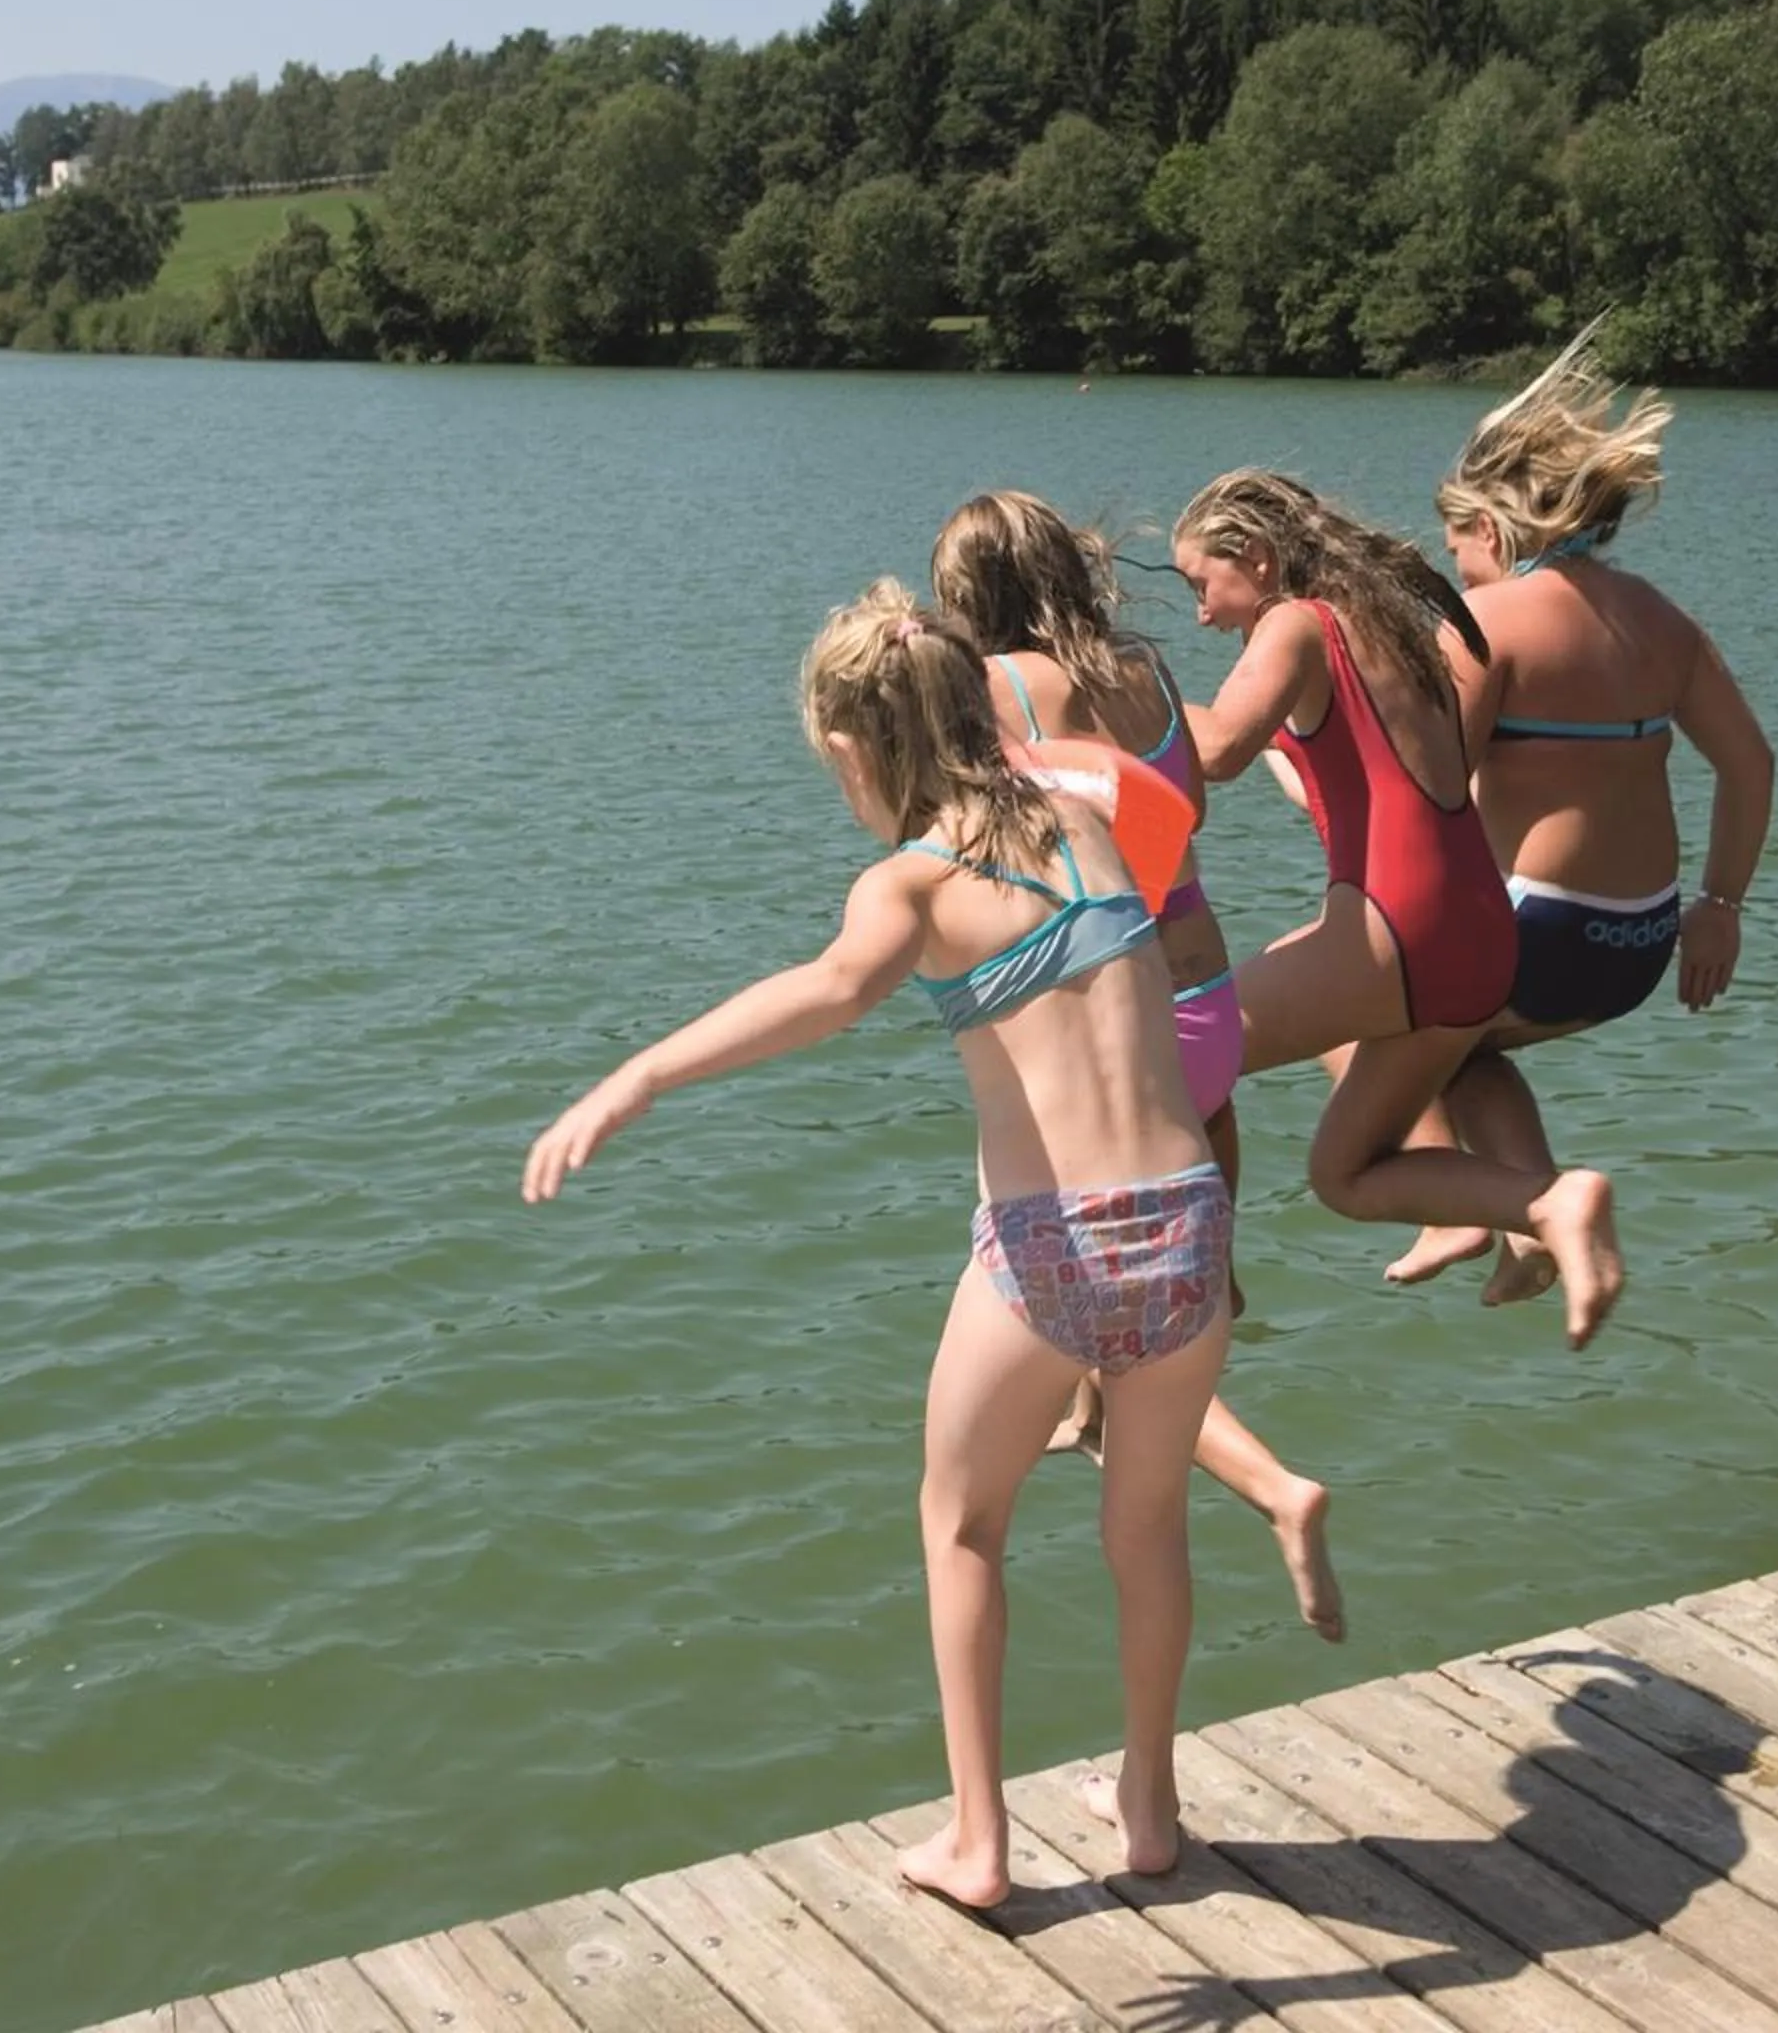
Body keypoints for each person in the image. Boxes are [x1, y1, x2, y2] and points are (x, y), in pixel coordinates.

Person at [523, 581, 1231, 1908]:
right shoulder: (1090, 827)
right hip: (1190, 1222)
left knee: (961, 1524)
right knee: (1146, 1529)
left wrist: (636, 1080)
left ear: (859, 750)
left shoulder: (913, 883)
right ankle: (1148, 1804)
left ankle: (979, 1841)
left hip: (1054, 1248)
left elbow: (824, 994)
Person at [932, 490, 1342, 1643]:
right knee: (1156, 1298)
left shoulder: (998, 691)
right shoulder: (1149, 670)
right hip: (1210, 1011)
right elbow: (1184, 804)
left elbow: (984, 849)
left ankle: (1274, 1487)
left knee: (1074, 1290)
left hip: (1125, 1033)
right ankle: (1113, 1385)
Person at [1168, 470, 1625, 1339]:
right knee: (1345, 1173)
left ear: (1257, 560)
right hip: (1481, 936)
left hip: (1397, 927)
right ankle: (1546, 1202)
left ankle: (1191, 1299)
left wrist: (1116, 700)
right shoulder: (1382, 624)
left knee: (1168, 1054)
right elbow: (1341, 779)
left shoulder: (1294, 622)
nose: (1202, 613)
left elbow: (1218, 748)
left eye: (1202, 585)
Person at [1379, 335, 1774, 1318]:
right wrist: (1719, 906)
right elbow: (1751, 764)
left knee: (1356, 1011)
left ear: (1487, 525)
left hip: (1543, 937)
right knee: (1469, 1048)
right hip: (1637, 946)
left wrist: (1306, 772)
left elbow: (1431, 800)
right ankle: (1533, 1224)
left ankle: (1466, 1209)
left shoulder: (1491, 623)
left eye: (1458, 549)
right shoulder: (1662, 620)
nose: (1456, 571)